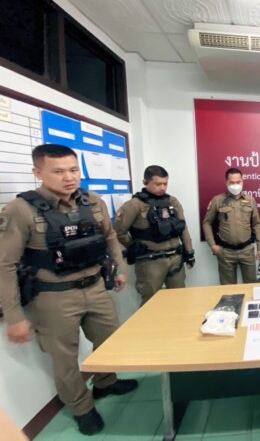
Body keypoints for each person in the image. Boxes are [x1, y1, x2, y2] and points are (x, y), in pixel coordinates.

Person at [0, 144, 137, 436]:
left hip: (96, 287)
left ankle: (106, 382)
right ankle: (81, 408)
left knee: (110, 341)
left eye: (74, 170)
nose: (69, 177)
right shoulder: (20, 210)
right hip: (53, 297)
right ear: (38, 172)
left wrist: (118, 268)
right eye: (58, 171)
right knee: (65, 359)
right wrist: (13, 316)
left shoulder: (92, 201)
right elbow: (5, 265)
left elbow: (110, 237)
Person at [114, 165, 194, 306]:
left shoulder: (172, 202)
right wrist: (134, 246)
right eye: (158, 184)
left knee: (179, 300)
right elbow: (118, 232)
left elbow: (183, 228)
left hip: (175, 258)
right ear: (145, 182)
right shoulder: (134, 205)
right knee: (150, 303)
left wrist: (189, 252)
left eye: (165, 183)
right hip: (150, 262)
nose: (162, 188)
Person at [202, 168, 260, 284]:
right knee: (228, 288)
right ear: (226, 183)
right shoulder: (217, 200)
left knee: (251, 286)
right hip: (226, 252)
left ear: (242, 181)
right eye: (232, 182)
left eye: (238, 182)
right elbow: (207, 223)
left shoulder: (250, 200)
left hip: (247, 251)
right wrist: (212, 245)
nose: (235, 185)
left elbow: (256, 224)